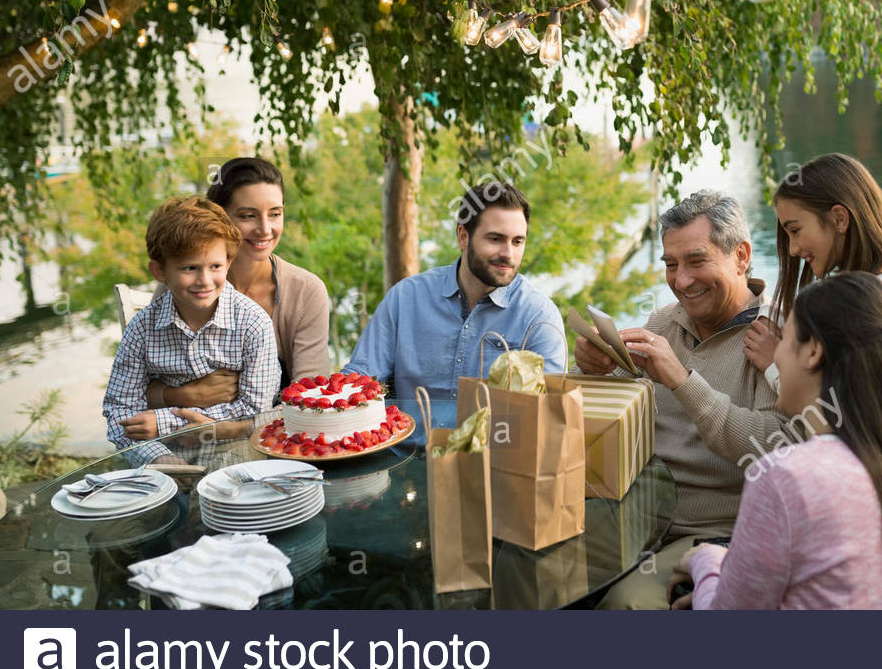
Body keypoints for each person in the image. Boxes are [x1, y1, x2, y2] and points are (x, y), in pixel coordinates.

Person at [742, 152, 882, 603]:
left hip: (874, 498)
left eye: (795, 230)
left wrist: (774, 365)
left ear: (840, 218)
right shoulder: (870, 287)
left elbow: (847, 406)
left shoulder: (876, 297)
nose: (791, 250)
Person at [670, 273, 882, 609]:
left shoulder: (784, 477)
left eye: (785, 340)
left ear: (813, 351)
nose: (777, 355)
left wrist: (707, 561)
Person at [577, 191, 793, 610]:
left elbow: (777, 447)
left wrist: (683, 381)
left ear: (741, 256)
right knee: (535, 571)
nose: (680, 281)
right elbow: (618, 403)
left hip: (713, 534)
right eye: (671, 265)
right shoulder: (664, 321)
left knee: (623, 605)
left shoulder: (776, 334)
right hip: (634, 519)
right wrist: (593, 366)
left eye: (696, 261)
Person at [343, 182, 565, 400]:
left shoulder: (538, 315)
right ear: (463, 236)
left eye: (517, 242)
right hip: (411, 437)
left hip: (498, 438)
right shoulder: (405, 299)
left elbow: (550, 406)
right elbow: (359, 379)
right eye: (495, 239)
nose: (508, 253)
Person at [146, 157, 331, 413]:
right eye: (248, 216)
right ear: (218, 217)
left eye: (275, 214)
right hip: (182, 435)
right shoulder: (184, 282)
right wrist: (184, 395)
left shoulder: (306, 291)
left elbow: (309, 398)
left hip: (275, 440)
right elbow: (136, 387)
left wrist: (228, 430)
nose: (265, 229)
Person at [103, 197, 279, 465]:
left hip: (236, 449)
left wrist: (163, 421)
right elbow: (120, 410)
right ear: (160, 271)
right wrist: (158, 458)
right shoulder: (142, 329)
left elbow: (253, 412)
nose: (205, 281)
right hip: (161, 453)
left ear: (229, 263)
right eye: (189, 268)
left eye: (215, 267)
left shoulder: (253, 324)